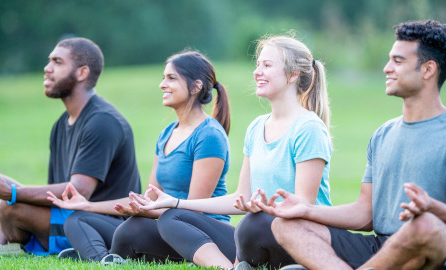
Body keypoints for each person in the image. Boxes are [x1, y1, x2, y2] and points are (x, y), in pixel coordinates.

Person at [258, 20, 446, 270]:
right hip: (381, 248)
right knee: (285, 225)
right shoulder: (383, 135)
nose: (386, 68)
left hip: (438, 249)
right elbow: (363, 213)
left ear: (428, 69)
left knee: (426, 224)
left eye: (398, 61)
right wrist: (305, 209)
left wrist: (433, 208)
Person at [132, 34, 333, 270]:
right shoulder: (257, 127)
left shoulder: (308, 128)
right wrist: (176, 203)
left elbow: (303, 207)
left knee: (253, 222)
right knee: (172, 217)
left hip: (300, 239)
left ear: (292, 74)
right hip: (260, 233)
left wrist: (263, 212)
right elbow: (242, 198)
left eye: (267, 65)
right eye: (257, 65)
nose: (257, 71)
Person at [47, 50, 232, 263]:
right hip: (161, 222)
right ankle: (105, 259)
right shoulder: (167, 134)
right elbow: (148, 199)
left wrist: (144, 212)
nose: (162, 84)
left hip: (194, 234)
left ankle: (99, 256)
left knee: (134, 227)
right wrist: (87, 205)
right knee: (78, 219)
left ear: (196, 86)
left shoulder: (209, 135)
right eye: (163, 77)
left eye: (171, 78)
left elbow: (190, 212)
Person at [0, 37, 141, 256]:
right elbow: (55, 192)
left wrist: (12, 192)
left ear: (82, 73)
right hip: (70, 214)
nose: (47, 68)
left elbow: (78, 191)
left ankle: (4, 249)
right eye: (49, 61)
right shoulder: (61, 124)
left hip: (100, 224)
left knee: (9, 204)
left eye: (57, 62)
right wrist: (3, 188)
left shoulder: (103, 121)